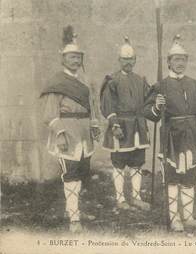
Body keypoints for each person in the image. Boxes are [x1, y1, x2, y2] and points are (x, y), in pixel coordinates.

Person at [143, 35, 196, 232]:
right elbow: (148, 113)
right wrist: (156, 106)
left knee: (190, 176)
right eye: (176, 59)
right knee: (173, 178)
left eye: (183, 59)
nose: (180, 63)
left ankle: (188, 217)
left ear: (187, 62)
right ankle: (174, 218)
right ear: (168, 62)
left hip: (192, 135)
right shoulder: (160, 86)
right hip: (171, 136)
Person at [40, 26, 100, 233]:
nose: (76, 61)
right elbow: (49, 114)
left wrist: (94, 126)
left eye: (78, 57)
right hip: (67, 133)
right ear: (63, 59)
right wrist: (60, 134)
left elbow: (92, 106)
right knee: (71, 174)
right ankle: (74, 218)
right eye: (72, 57)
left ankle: (73, 209)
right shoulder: (56, 82)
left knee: (82, 172)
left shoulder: (83, 82)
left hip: (84, 134)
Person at [100, 37, 151, 211]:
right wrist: (114, 125)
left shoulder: (140, 80)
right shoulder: (112, 80)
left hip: (138, 126)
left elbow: (149, 100)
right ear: (119, 60)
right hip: (121, 126)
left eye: (131, 59)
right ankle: (120, 199)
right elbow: (108, 104)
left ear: (135, 60)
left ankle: (136, 197)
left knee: (137, 163)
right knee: (119, 163)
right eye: (124, 59)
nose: (128, 62)